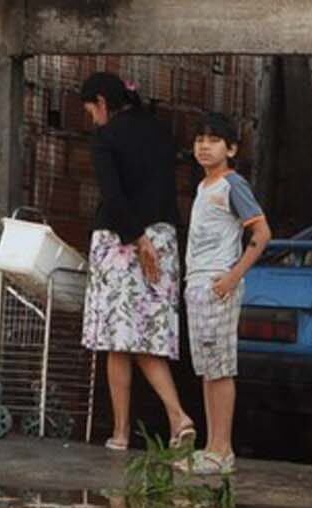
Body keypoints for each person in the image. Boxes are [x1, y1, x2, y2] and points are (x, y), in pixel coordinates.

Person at [76, 72, 193, 452]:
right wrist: (150, 239)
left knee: (118, 340)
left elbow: (113, 194)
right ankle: (170, 419)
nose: (92, 117)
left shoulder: (106, 137)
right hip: (163, 240)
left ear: (102, 102)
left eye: (91, 109)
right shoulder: (161, 132)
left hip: (121, 243)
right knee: (147, 337)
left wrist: (135, 238)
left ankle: (130, 430)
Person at [181, 111, 270, 476]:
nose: (204, 146)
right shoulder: (203, 187)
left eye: (213, 140)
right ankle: (210, 447)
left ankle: (222, 449)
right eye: (200, 139)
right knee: (207, 368)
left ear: (231, 149)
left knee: (220, 368)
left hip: (218, 283)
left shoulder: (233, 185)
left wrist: (232, 277)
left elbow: (262, 234)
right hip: (198, 284)